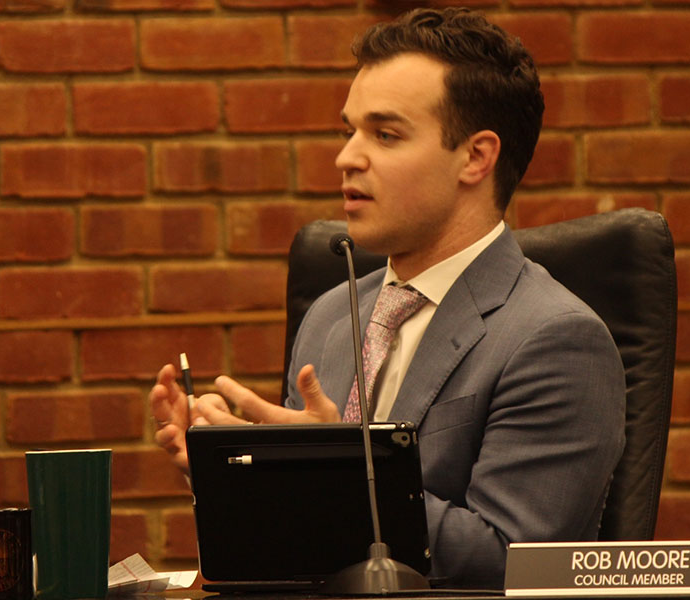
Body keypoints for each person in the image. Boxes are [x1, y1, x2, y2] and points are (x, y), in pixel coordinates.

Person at [150, 7, 625, 589]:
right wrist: (235, 476)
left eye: (385, 134)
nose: (347, 157)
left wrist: (328, 473)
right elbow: (302, 544)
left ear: (476, 157)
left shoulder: (555, 338)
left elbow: (509, 562)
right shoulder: (330, 313)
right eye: (348, 130)